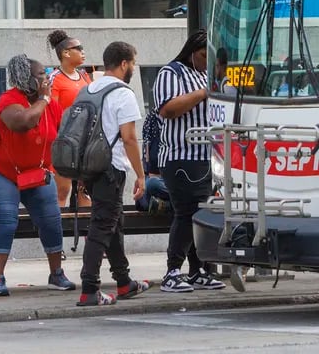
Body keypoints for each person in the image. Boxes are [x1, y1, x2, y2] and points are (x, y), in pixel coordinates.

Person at [0, 54, 75, 297]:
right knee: (7, 217)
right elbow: (23, 123)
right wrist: (43, 99)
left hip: (35, 170)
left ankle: (56, 274)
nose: (46, 77)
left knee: (51, 217)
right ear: (26, 79)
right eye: (41, 74)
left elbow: (63, 131)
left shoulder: (50, 104)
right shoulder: (9, 101)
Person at [75, 41, 151, 306]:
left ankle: (123, 282)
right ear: (123, 64)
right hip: (111, 167)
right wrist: (141, 175)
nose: (133, 68)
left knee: (113, 223)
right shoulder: (123, 93)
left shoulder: (88, 89)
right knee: (102, 226)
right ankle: (89, 289)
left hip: (90, 167)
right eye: (133, 63)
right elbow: (130, 139)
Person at [154, 29, 225, 293]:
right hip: (181, 157)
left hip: (207, 157)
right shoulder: (171, 73)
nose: (208, 62)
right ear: (192, 51)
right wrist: (204, 92)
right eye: (204, 56)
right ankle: (173, 270)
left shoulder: (205, 74)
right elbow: (168, 109)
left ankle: (199, 270)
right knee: (185, 214)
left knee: (201, 214)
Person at [47, 29, 92, 208]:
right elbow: (51, 113)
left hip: (86, 144)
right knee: (62, 192)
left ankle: (89, 236)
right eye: (78, 48)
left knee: (85, 192)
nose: (83, 52)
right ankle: (57, 234)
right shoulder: (54, 79)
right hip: (64, 144)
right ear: (66, 53)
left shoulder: (84, 76)